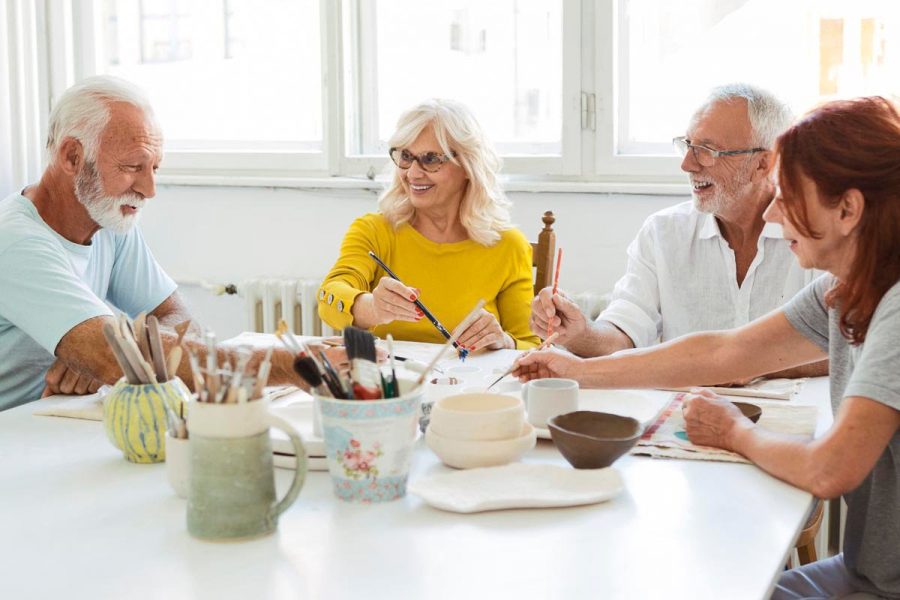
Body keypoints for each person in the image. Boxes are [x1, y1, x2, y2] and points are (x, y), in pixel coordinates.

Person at [514, 96, 900, 598]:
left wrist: (734, 431)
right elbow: (725, 352)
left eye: (788, 196)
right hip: (866, 572)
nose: (775, 213)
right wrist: (578, 370)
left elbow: (828, 470)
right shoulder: (847, 287)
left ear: (848, 209)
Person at [0, 76, 335, 411]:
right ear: (72, 156)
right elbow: (112, 357)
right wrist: (288, 365)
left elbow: (178, 316)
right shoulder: (16, 241)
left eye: (154, 168)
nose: (149, 189)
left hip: (50, 418)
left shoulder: (108, 221)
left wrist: (112, 353)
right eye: (133, 167)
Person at [531, 83, 827, 379]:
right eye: (687, 145)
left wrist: (741, 365)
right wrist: (581, 332)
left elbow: (849, 349)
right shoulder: (663, 233)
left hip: (799, 418)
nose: (687, 164)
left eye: (707, 151)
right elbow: (624, 332)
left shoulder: (818, 237)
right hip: (683, 412)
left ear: (763, 163)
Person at [318, 98, 540, 351]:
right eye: (406, 156)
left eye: (431, 159)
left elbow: (530, 344)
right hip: (394, 385)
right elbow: (328, 299)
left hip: (467, 386)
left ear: (469, 165)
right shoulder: (373, 230)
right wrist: (374, 308)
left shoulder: (508, 246)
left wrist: (504, 341)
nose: (413, 173)